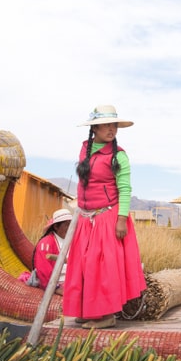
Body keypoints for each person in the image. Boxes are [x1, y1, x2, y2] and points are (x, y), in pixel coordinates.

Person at [61, 104, 147, 329]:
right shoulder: (85, 150)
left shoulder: (119, 156)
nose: (111, 129)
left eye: (114, 125)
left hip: (107, 217)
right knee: (83, 264)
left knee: (102, 267)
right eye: (106, 125)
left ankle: (106, 315)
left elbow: (125, 189)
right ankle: (86, 311)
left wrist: (121, 219)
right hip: (85, 218)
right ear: (94, 129)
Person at [33, 208, 72, 293]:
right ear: (56, 226)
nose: (70, 228)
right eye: (66, 225)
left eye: (71, 224)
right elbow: (43, 270)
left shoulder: (73, 241)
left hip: (72, 282)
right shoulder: (46, 243)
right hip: (56, 284)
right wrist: (56, 289)